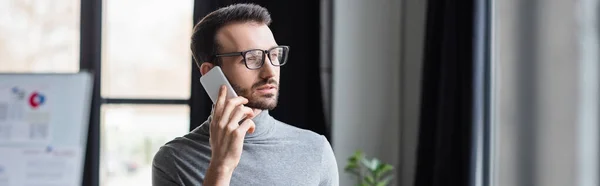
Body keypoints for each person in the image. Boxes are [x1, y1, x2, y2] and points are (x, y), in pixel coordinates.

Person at [152, 3, 339, 186]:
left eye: (274, 55)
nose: (270, 72)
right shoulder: (173, 160)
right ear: (211, 73)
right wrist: (221, 166)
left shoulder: (316, 149)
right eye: (252, 58)